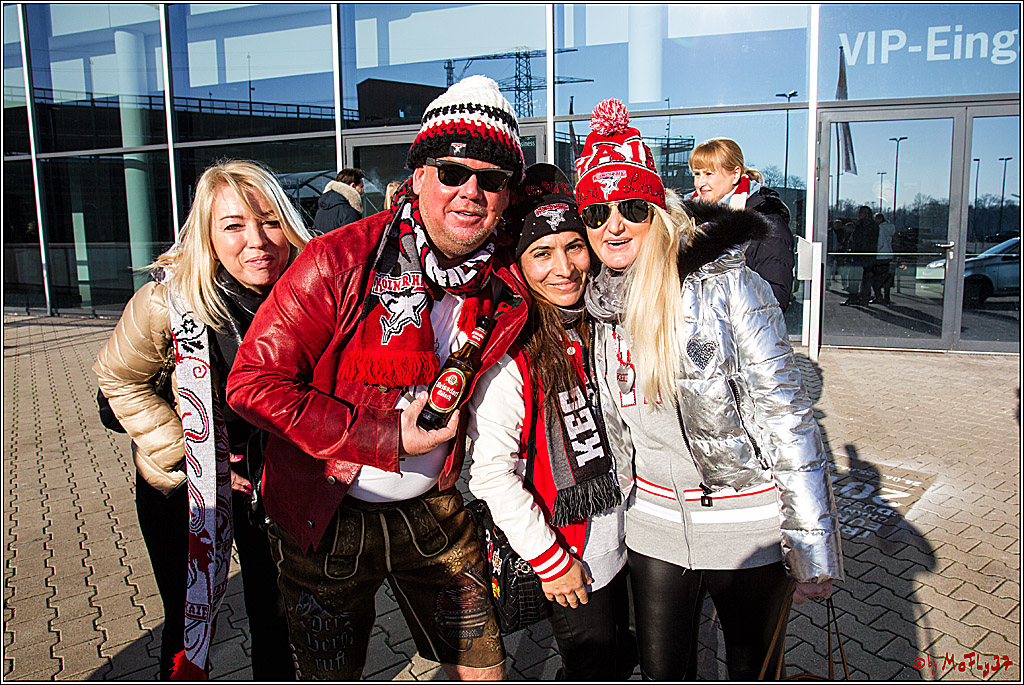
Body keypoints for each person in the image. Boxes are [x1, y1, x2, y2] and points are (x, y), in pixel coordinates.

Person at [225, 75, 530, 681]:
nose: (470, 191)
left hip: (434, 512)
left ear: (505, 196)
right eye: (452, 171)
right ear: (418, 176)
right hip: (327, 512)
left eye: (491, 179)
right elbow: (251, 384)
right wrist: (385, 436)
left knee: (484, 668)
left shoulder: (505, 282)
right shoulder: (338, 260)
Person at [575, 100, 843, 680]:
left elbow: (786, 415)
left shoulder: (728, 287)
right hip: (652, 529)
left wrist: (812, 547)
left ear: (660, 214)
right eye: (596, 213)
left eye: (630, 208)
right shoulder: (595, 307)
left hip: (746, 525)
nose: (612, 225)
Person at [93, 159, 312, 680]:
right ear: (207, 237)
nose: (257, 240)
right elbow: (116, 382)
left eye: (270, 220)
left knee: (277, 615)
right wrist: (193, 456)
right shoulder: (165, 302)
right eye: (233, 225)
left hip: (274, 483)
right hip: (180, 485)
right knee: (188, 619)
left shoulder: (312, 295)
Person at [467, 164, 636, 681]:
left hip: (634, 534)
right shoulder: (510, 353)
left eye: (573, 246)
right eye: (542, 252)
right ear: (518, 262)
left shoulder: (603, 323)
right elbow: (492, 474)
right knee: (593, 670)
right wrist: (551, 559)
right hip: (574, 553)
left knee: (619, 659)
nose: (564, 267)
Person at [689, 137, 795, 312]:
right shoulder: (687, 219)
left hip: (741, 333)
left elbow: (775, 297)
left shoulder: (766, 222)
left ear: (735, 174)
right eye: (696, 174)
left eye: (709, 174)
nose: (700, 183)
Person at [842, 205, 879, 306]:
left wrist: (854, 250)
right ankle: (862, 298)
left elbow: (862, 240)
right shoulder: (870, 225)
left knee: (856, 277)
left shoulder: (864, 226)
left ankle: (856, 297)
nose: (859, 214)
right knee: (864, 278)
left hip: (861, 254)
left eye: (861, 213)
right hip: (866, 255)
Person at [313, 167, 364, 232]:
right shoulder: (349, 212)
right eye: (361, 187)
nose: (363, 191)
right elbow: (352, 239)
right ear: (352, 186)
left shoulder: (321, 211)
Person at [872, 212, 896, 304]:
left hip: (880, 256)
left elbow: (880, 242)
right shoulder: (889, 228)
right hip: (888, 255)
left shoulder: (880, 228)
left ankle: (878, 296)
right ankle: (887, 297)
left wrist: (874, 251)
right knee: (887, 278)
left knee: (876, 278)